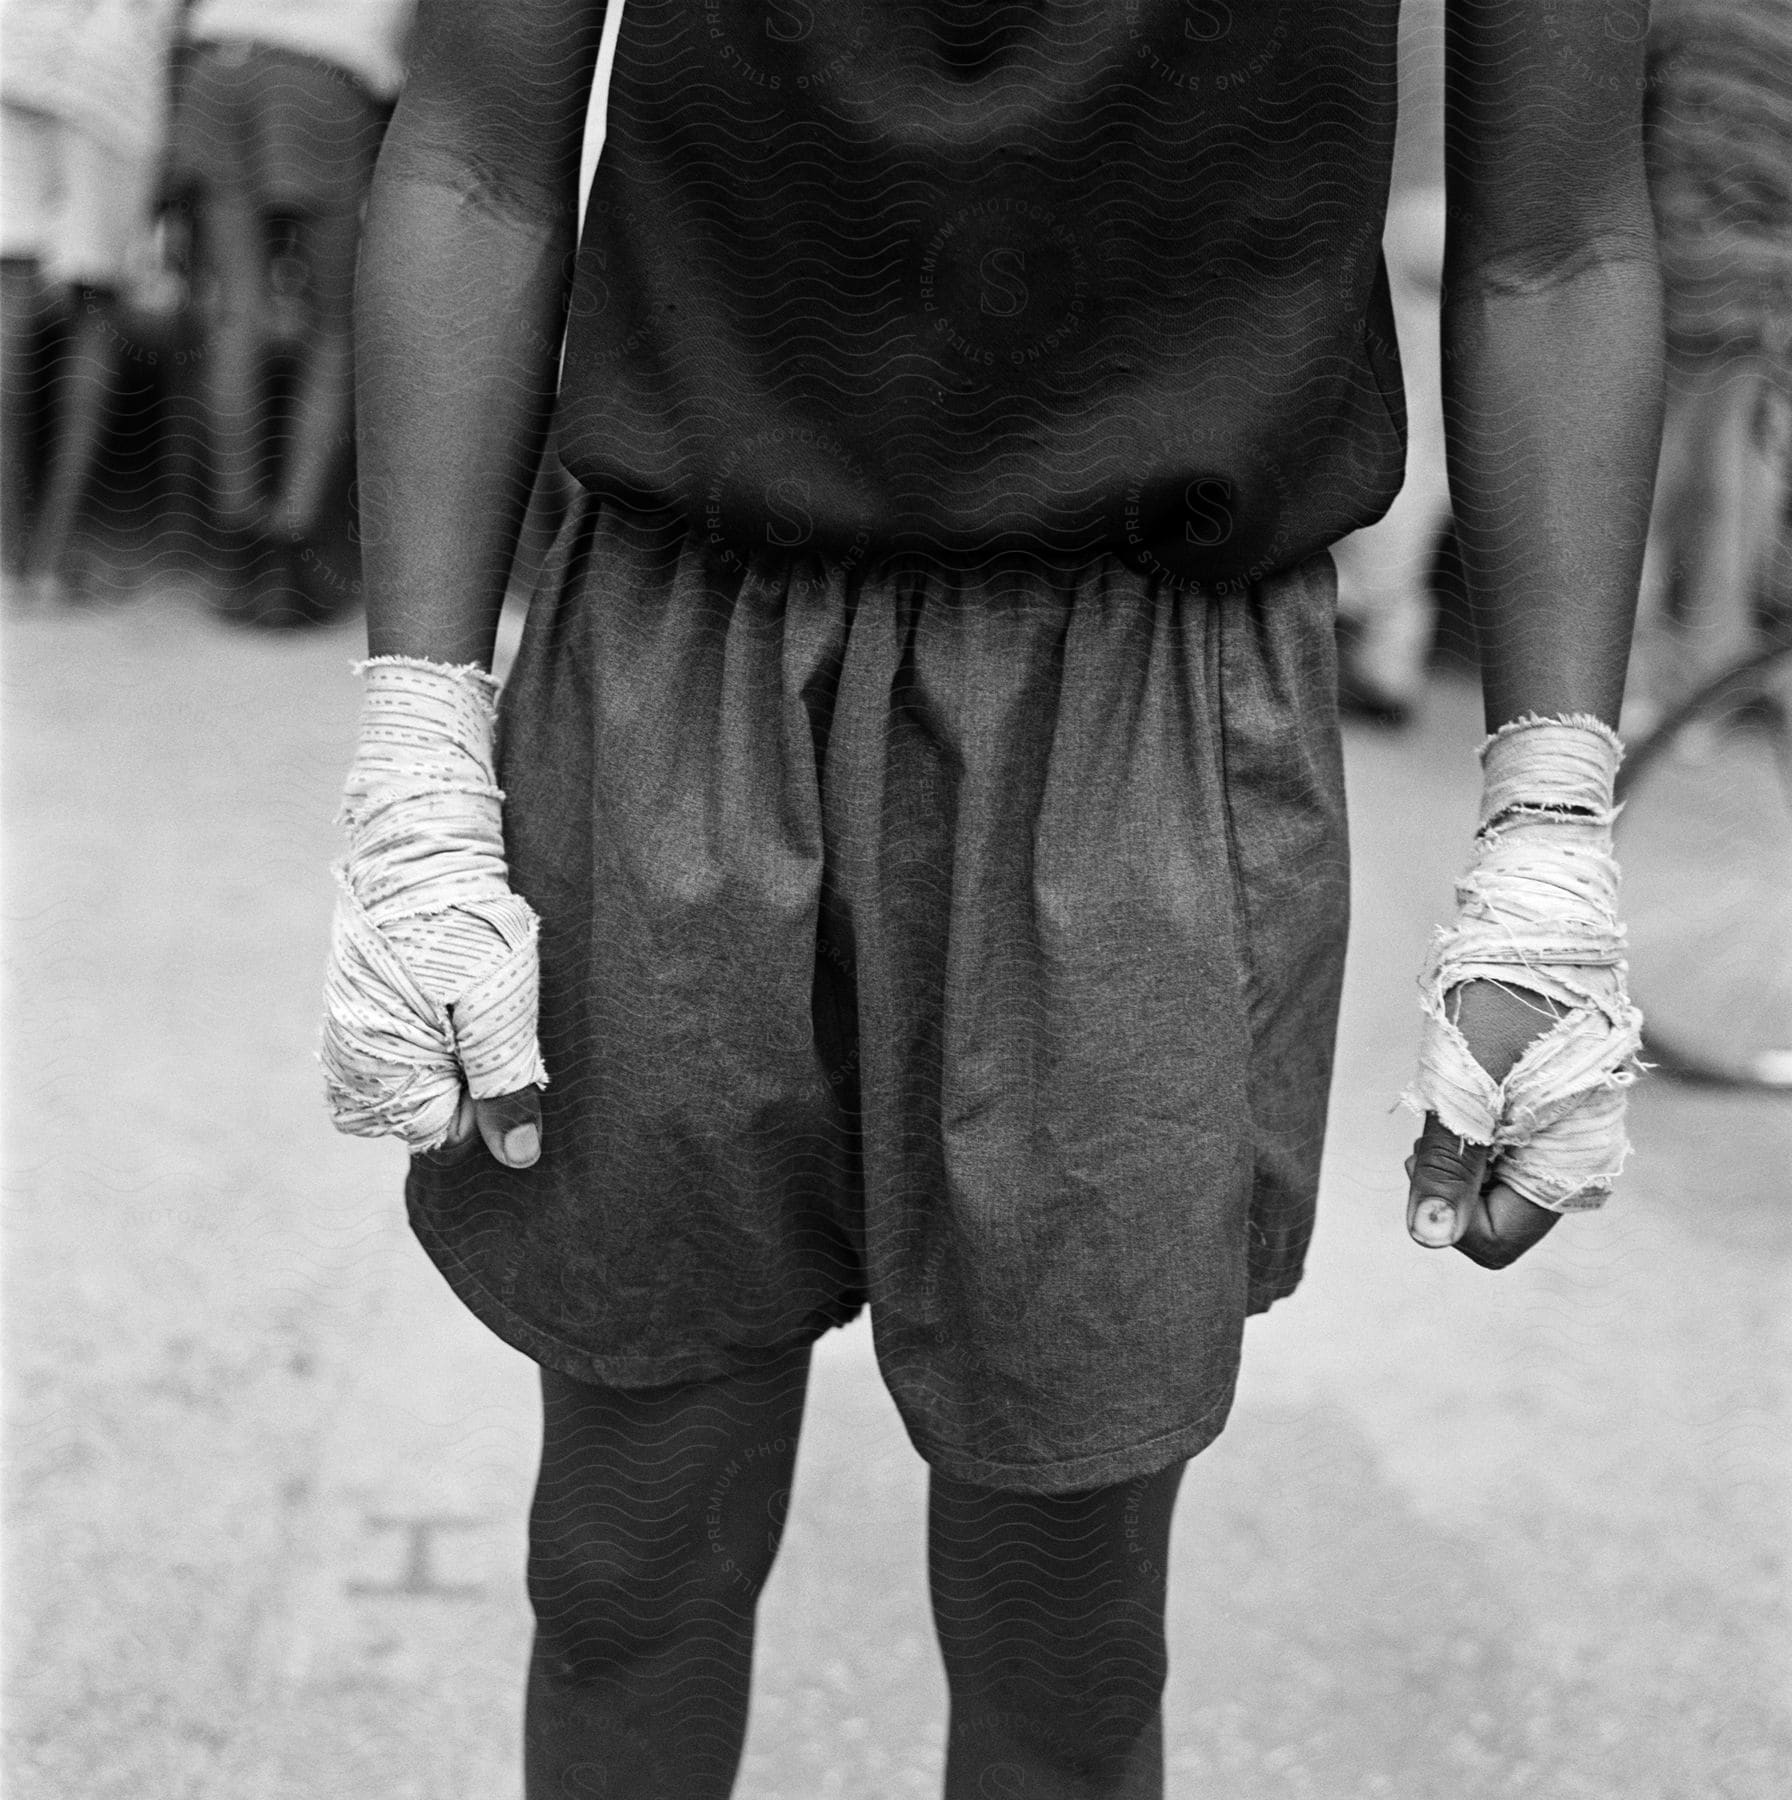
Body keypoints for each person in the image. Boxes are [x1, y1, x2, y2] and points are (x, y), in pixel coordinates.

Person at [319, 4, 1663, 1794]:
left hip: (1149, 679)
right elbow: (477, 152)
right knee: (629, 1557)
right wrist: (419, 759)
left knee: (1067, 1625)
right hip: (683, 631)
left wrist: (1548, 833)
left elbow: (1555, 244)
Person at [159, 0, 414, 625]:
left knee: (236, 316)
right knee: (334, 327)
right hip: (323, 76)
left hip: (219, 60)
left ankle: (238, 547)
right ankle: (287, 554)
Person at [0, 0, 184, 593]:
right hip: (109, 68)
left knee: (10, 295)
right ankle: (50, 560)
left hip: (16, 44)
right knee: (96, 307)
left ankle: (6, 553)